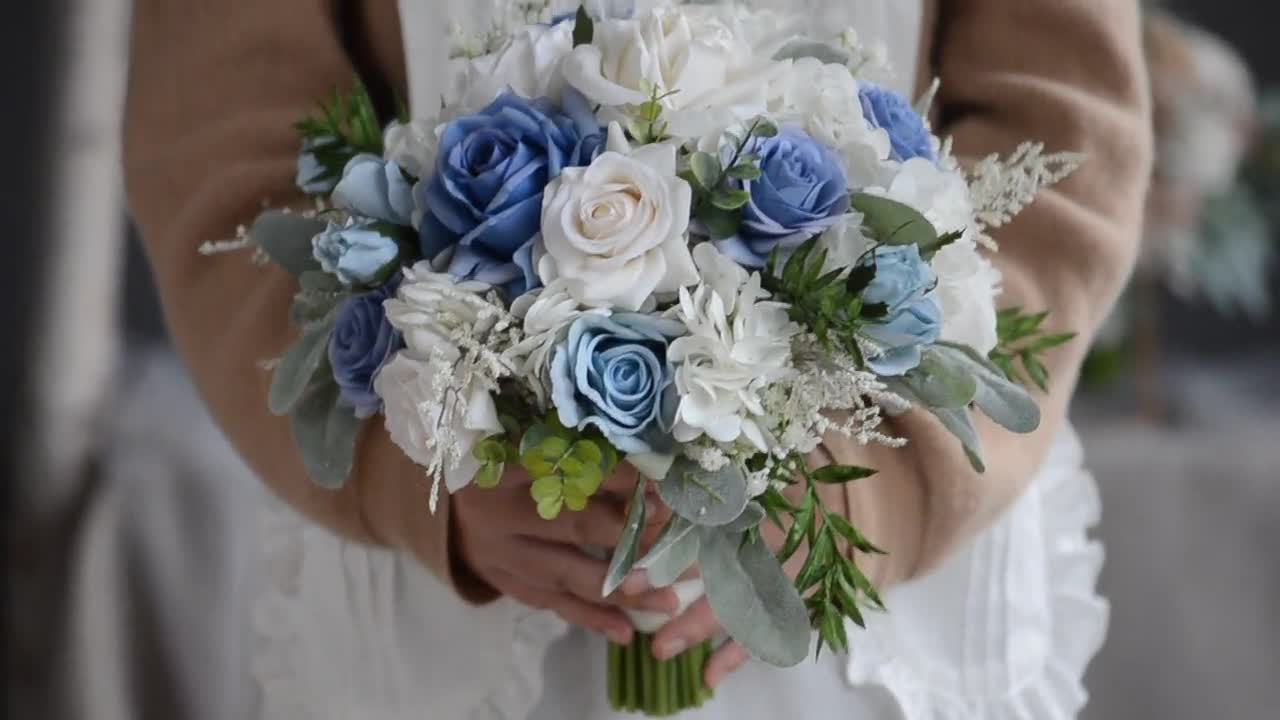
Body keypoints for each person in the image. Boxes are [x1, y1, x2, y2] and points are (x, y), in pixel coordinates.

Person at [123, 0, 1151, 717]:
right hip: (453, 566)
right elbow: (224, 150)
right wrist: (413, 469)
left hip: (864, 612)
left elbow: (1064, 132)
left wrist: (872, 490)